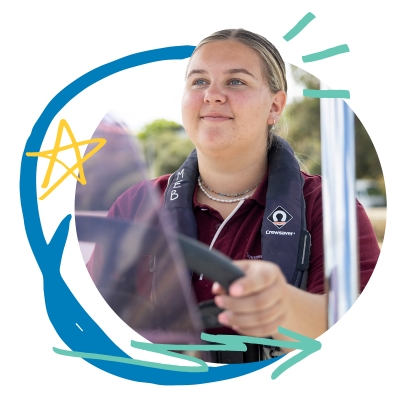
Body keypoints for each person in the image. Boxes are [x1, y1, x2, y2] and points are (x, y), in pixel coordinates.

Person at [89, 29, 380, 360]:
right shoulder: (136, 204)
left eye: (236, 82)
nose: (212, 95)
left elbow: (361, 334)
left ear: (275, 106)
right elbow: (92, 318)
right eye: (198, 81)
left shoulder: (330, 208)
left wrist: (281, 304)